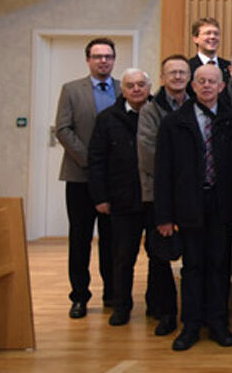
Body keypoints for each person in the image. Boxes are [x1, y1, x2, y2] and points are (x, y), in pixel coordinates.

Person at [154, 64, 232, 351]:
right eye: (201, 81)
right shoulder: (174, 122)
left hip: (222, 204)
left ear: (221, 86)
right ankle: (190, 325)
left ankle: (218, 323)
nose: (206, 86)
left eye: (212, 82)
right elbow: (163, 172)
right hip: (188, 204)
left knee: (218, 266)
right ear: (193, 86)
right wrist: (164, 216)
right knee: (192, 267)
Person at [55, 37, 119, 319]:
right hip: (80, 177)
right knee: (80, 239)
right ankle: (79, 296)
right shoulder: (71, 90)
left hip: (113, 180)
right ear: (88, 60)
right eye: (97, 56)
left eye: (108, 56)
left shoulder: (123, 89)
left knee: (112, 240)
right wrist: (91, 162)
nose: (103, 61)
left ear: (114, 60)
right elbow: (63, 129)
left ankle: (113, 293)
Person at [88, 68, 151, 327]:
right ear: (122, 90)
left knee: (158, 256)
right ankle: (121, 306)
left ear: (149, 87)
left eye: (141, 84)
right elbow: (97, 160)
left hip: (154, 198)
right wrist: (100, 196)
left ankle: (157, 306)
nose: (136, 89)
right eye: (130, 85)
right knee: (123, 256)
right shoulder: (107, 118)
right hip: (122, 198)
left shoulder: (159, 115)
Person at [136, 54, 188, 333]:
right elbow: (147, 155)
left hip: (191, 195)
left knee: (192, 255)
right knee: (160, 256)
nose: (178, 77)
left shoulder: (196, 106)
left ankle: (191, 312)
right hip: (158, 193)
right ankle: (165, 312)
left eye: (182, 72)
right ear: (163, 77)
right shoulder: (150, 110)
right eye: (172, 73)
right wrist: (182, 174)